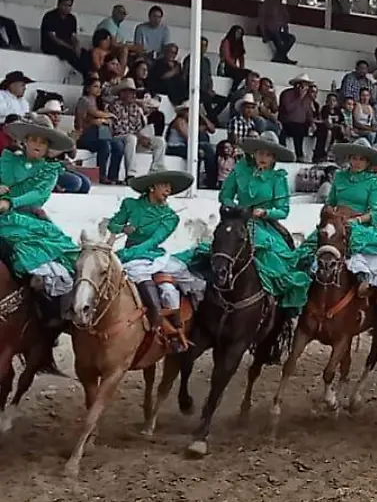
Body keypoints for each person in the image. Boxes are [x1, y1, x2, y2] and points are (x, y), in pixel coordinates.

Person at [176, 138, 310, 313]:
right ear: (253, 154)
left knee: (274, 260)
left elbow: (283, 210)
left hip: (264, 226)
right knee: (218, 249)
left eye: (267, 155)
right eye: (260, 153)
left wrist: (265, 212)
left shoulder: (278, 178)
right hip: (237, 221)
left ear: (273, 158)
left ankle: (272, 305)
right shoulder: (239, 171)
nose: (263, 158)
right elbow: (224, 196)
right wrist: (235, 208)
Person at [299, 144, 377, 304]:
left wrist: (356, 220)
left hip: (359, 225)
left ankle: (371, 288)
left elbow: (374, 212)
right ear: (349, 159)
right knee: (306, 250)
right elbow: (330, 203)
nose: (357, 162)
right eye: (354, 158)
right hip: (336, 222)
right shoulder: (339, 177)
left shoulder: (374, 181)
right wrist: (331, 214)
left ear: (368, 162)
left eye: (362, 159)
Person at [106, 170, 204, 352]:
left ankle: (174, 332)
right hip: (131, 255)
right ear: (152, 187)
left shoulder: (170, 217)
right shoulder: (130, 205)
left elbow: (154, 240)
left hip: (151, 255)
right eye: (164, 186)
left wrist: (129, 253)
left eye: (170, 187)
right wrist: (123, 228)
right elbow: (112, 224)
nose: (168, 190)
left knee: (170, 290)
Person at [0, 116, 79, 332]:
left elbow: (38, 194)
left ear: (48, 148)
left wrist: (10, 202)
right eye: (33, 139)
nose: (37, 144)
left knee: (49, 262)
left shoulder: (49, 171)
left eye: (42, 142)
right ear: (24, 141)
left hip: (27, 220)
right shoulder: (6, 160)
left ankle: (49, 317)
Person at [258, 0, 297, 64]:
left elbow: (285, 22)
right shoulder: (266, 5)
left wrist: (286, 33)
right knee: (276, 35)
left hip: (277, 32)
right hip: (267, 31)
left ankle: (280, 56)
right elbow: (261, 20)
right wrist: (263, 34)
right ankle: (283, 57)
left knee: (291, 38)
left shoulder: (282, 8)